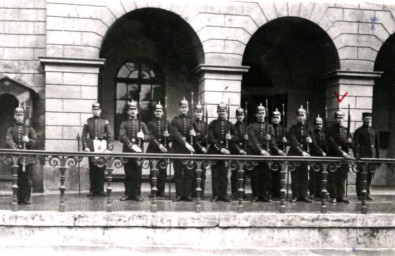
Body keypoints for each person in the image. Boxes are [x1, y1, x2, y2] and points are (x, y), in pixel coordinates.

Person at [6, 106, 37, 204]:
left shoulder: (28, 128)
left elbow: (35, 141)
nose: (19, 117)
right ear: (14, 116)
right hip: (15, 158)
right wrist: (14, 148)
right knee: (16, 178)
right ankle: (17, 198)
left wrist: (28, 141)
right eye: (17, 115)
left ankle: (27, 198)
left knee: (27, 178)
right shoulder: (11, 128)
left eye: (21, 115)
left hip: (26, 157)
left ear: (23, 116)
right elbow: (8, 139)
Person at [119, 100, 150, 201]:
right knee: (128, 174)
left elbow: (149, 137)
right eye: (130, 109)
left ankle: (137, 194)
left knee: (137, 174)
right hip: (127, 152)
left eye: (134, 109)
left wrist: (143, 136)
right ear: (128, 111)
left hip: (138, 153)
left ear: (137, 111)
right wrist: (131, 145)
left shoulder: (142, 124)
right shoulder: (124, 124)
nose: (132, 111)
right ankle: (127, 193)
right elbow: (122, 137)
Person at [208, 102, 238, 202]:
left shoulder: (230, 125)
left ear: (226, 112)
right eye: (220, 111)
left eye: (224, 111)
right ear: (217, 111)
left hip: (226, 154)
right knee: (215, 174)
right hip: (215, 152)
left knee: (224, 175)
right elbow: (211, 138)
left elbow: (237, 138)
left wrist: (231, 137)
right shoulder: (212, 124)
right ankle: (215, 195)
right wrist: (220, 148)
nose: (222, 112)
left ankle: (224, 195)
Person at [81, 102, 113, 197]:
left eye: (97, 109)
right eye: (94, 109)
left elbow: (110, 135)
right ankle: (92, 189)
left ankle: (100, 189)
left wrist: (109, 147)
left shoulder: (105, 121)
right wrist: (85, 146)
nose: (96, 111)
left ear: (100, 110)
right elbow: (83, 135)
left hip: (102, 145)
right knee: (92, 168)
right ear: (92, 110)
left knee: (101, 167)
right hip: (91, 145)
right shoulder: (88, 121)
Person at [247, 103, 277, 202]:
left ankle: (264, 195)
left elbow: (273, 142)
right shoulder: (251, 126)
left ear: (265, 114)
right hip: (255, 154)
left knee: (265, 175)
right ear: (256, 115)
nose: (261, 115)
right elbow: (253, 140)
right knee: (255, 175)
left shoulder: (269, 127)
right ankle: (255, 195)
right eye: (259, 113)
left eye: (262, 113)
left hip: (266, 155)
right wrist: (260, 150)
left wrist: (270, 139)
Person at [169, 97, 195, 202]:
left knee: (189, 174)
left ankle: (187, 195)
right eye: (182, 107)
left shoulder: (191, 121)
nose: (184, 109)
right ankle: (179, 195)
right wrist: (185, 143)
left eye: (186, 107)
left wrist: (194, 134)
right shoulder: (174, 121)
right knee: (178, 174)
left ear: (188, 108)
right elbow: (175, 134)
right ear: (179, 108)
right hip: (178, 150)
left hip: (188, 152)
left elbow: (197, 135)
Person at [287, 105, 313, 203]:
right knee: (295, 176)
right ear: (297, 117)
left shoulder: (308, 129)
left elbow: (313, 142)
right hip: (295, 155)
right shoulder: (292, 129)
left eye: (303, 115)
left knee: (304, 176)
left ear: (305, 117)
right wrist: (302, 152)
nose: (301, 117)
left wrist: (310, 141)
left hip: (305, 156)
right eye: (299, 115)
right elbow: (293, 142)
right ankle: (295, 196)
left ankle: (304, 195)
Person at [353, 112, 379, 201]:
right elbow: (355, 145)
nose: (368, 120)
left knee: (369, 175)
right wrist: (356, 156)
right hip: (362, 156)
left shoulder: (373, 131)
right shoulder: (359, 131)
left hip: (372, 156)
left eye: (370, 119)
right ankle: (360, 194)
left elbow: (376, 146)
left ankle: (367, 193)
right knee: (360, 175)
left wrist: (377, 158)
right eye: (367, 119)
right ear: (363, 119)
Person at [327, 110, 352, 203]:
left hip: (344, 159)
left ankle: (341, 196)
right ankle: (333, 196)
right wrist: (342, 153)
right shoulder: (330, 130)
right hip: (333, 156)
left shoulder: (346, 130)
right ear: (335, 119)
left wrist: (350, 142)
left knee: (342, 177)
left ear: (344, 119)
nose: (339, 119)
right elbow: (332, 143)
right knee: (333, 177)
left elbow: (350, 145)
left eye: (341, 117)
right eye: (338, 117)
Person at [146, 101, 170, 198]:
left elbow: (172, 136)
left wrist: (168, 136)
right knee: (153, 171)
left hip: (164, 150)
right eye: (156, 111)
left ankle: (161, 191)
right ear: (154, 112)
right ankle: (153, 191)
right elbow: (150, 136)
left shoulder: (167, 123)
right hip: (153, 149)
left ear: (163, 112)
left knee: (163, 172)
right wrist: (159, 145)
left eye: (160, 111)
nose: (158, 112)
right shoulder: (150, 123)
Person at [191, 101, 209, 198]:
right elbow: (193, 140)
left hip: (203, 152)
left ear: (202, 113)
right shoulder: (192, 123)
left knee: (203, 173)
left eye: (200, 112)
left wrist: (206, 145)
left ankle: (201, 193)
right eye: (197, 112)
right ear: (194, 113)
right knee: (194, 172)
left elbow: (208, 139)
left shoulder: (206, 125)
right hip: (195, 150)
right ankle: (194, 193)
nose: (198, 114)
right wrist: (201, 147)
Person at [230, 107, 248, 199]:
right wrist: (239, 150)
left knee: (243, 173)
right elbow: (232, 142)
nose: (240, 117)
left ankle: (242, 191)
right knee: (235, 173)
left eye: (241, 115)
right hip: (235, 152)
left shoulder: (247, 127)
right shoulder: (233, 127)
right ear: (236, 116)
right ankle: (234, 191)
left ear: (244, 116)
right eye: (238, 115)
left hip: (245, 153)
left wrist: (247, 140)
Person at [309, 115, 328, 199]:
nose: (318, 125)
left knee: (322, 175)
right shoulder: (312, 133)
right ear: (314, 124)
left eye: (320, 123)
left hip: (324, 157)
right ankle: (313, 192)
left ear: (322, 124)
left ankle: (320, 192)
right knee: (313, 175)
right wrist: (321, 152)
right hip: (315, 156)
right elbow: (314, 144)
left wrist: (326, 152)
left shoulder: (324, 134)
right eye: (317, 123)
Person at [270, 108, 287, 198]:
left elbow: (289, 142)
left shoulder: (284, 129)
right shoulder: (269, 127)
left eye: (277, 117)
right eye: (274, 117)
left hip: (281, 154)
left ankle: (280, 192)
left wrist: (286, 141)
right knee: (272, 174)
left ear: (280, 118)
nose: (276, 119)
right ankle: (272, 192)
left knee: (281, 173)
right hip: (272, 153)